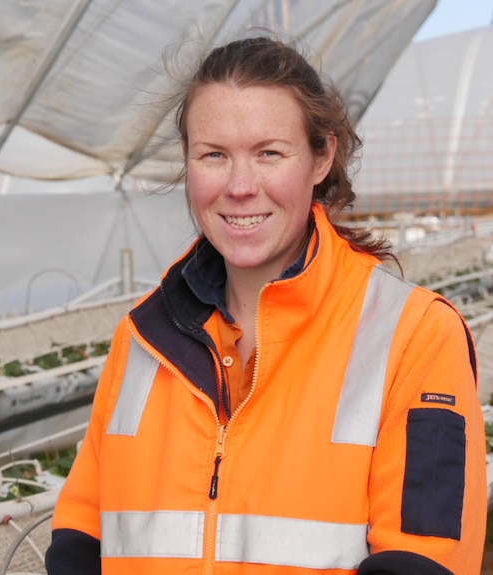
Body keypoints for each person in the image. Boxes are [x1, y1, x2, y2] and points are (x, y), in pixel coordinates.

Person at [45, 36, 486, 575]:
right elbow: (80, 539)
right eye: (213, 156)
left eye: (269, 153)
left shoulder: (413, 335)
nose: (239, 186)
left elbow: (425, 559)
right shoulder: (141, 337)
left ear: (321, 157)